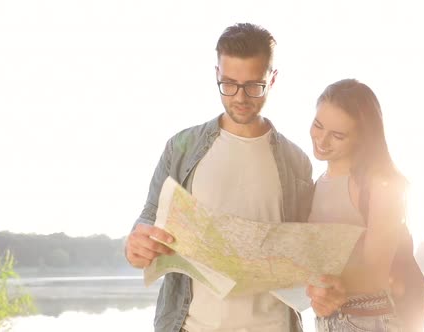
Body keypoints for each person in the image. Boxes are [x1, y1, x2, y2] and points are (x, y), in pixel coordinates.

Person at [124, 23, 313, 332]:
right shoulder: (181, 147)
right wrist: (136, 245)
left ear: (273, 79)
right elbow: (149, 217)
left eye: (254, 86)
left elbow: (308, 253)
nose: (240, 97)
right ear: (216, 74)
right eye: (229, 84)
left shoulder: (297, 162)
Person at [305, 79, 408, 332]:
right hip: (327, 322)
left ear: (363, 137)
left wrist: (328, 286)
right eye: (318, 126)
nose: (322, 140)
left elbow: (376, 272)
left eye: (338, 135)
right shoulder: (317, 183)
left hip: (369, 322)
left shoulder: (379, 185)